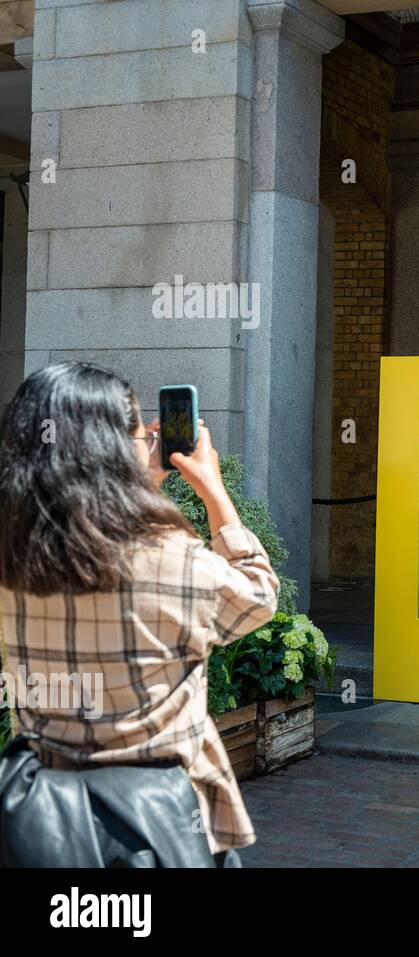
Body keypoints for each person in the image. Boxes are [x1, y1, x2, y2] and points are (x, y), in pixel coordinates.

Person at [0, 362, 280, 867]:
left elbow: (88, 529)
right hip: (157, 821)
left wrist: (133, 481)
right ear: (113, 450)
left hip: (44, 819)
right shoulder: (170, 557)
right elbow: (257, 597)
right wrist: (214, 492)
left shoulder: (13, 555)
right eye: (136, 433)